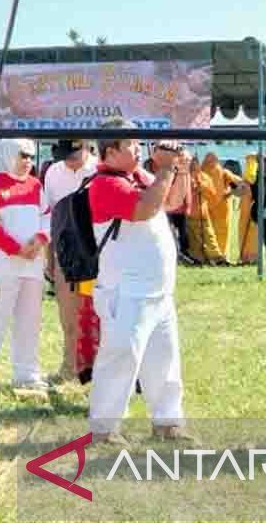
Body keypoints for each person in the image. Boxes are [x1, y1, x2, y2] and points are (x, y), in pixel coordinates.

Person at [87, 118, 191, 445]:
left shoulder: (139, 176)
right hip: (126, 290)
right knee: (120, 359)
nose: (138, 148)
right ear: (111, 150)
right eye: (131, 143)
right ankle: (104, 429)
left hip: (157, 290)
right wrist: (163, 168)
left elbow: (171, 203)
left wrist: (179, 170)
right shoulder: (105, 184)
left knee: (165, 359)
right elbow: (145, 209)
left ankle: (168, 421)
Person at [0, 138, 51, 394]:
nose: (28, 162)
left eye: (31, 157)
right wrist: (15, 248)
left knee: (30, 320)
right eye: (23, 155)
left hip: (32, 264)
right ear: (8, 154)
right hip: (3, 264)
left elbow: (47, 216)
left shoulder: (35, 184)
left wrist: (41, 239)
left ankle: (27, 374)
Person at [41, 140, 98, 383]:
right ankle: (69, 366)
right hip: (66, 251)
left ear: (86, 147)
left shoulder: (99, 169)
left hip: (96, 252)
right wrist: (51, 259)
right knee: (67, 313)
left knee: (96, 312)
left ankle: (96, 368)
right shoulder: (53, 172)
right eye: (64, 155)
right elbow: (51, 218)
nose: (68, 160)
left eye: (73, 155)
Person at [201, 152, 244, 258]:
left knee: (208, 232)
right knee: (221, 233)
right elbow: (239, 185)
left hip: (206, 209)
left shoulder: (201, 172)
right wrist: (229, 193)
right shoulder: (223, 172)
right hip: (221, 209)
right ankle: (221, 255)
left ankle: (209, 255)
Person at [185, 158, 227, 266]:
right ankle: (198, 259)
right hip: (189, 214)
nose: (193, 166)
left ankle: (217, 258)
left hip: (203, 213)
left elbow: (212, 194)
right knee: (194, 239)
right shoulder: (184, 177)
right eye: (191, 164)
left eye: (195, 164)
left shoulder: (204, 177)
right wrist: (192, 189)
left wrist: (202, 187)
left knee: (209, 237)